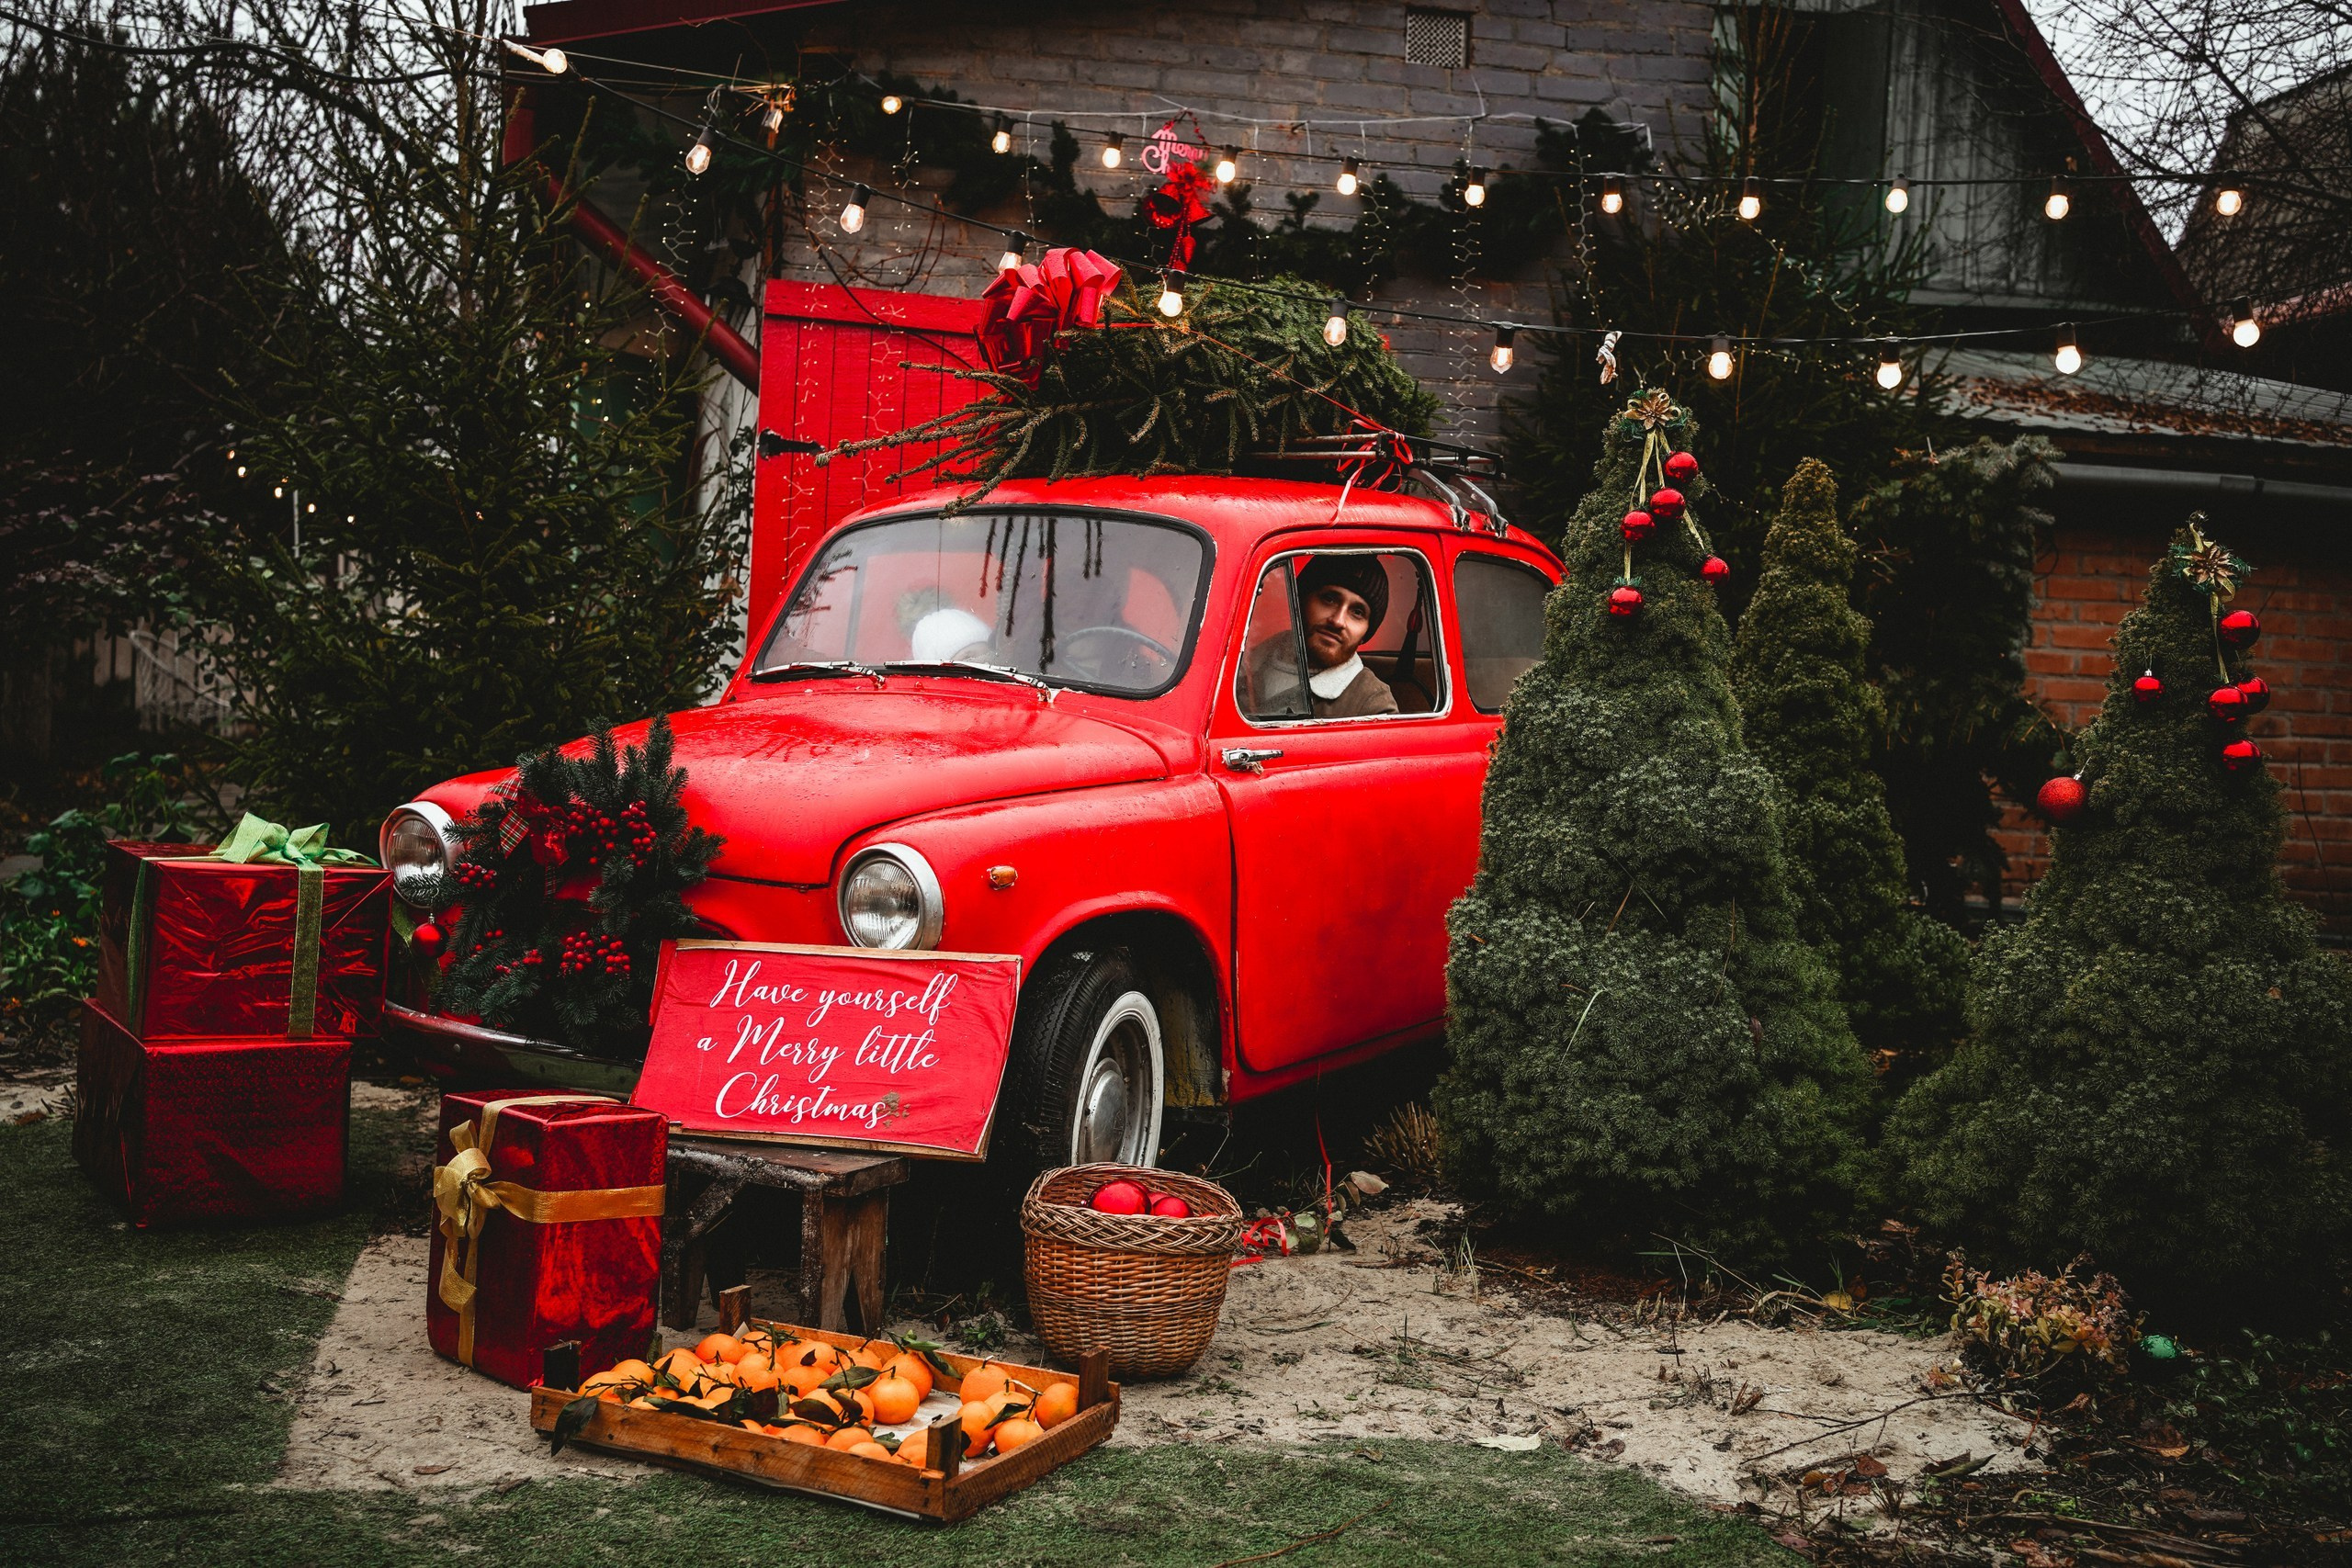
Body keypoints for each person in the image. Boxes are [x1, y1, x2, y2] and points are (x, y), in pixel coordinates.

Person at [1244, 555, 1399, 719]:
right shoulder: (1244, 662)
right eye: (1329, 599)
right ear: (1301, 601)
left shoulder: (1373, 706)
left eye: (1357, 612)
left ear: (1366, 633)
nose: (1338, 621)